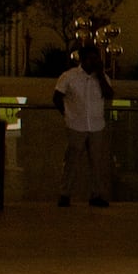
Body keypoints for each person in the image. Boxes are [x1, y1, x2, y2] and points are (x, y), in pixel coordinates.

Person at [52, 45, 114, 207]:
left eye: (96, 58)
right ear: (83, 60)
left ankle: (96, 194)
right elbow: (57, 97)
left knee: (97, 162)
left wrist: (100, 75)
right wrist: (67, 114)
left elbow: (109, 94)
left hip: (96, 125)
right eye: (92, 59)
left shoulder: (102, 78)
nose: (95, 62)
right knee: (71, 161)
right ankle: (65, 193)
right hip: (76, 125)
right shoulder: (69, 76)